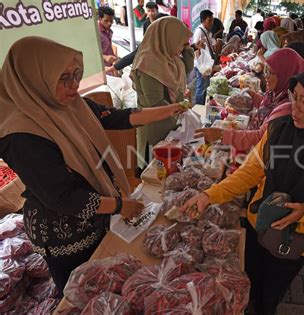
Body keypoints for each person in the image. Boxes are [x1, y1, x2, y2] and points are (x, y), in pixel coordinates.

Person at [0, 36, 188, 294]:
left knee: (106, 283)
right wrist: (121, 206)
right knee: (80, 293)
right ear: (34, 76)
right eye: (64, 77)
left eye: (77, 74)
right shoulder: (21, 134)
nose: (74, 85)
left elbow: (122, 118)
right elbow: (62, 197)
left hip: (97, 215)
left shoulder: (72, 104)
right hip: (62, 233)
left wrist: (173, 108)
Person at [181, 62, 304, 315]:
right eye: (295, 98)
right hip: (258, 224)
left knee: (270, 296)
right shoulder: (280, 130)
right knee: (248, 283)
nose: (295, 109)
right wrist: (208, 195)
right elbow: (250, 172)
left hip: (296, 241)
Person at [194, 48, 304, 151]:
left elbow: (260, 138)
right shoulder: (277, 93)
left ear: (285, 74)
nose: (266, 77)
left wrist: (221, 135)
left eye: (270, 73)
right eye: (265, 71)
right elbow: (268, 106)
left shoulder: (288, 107)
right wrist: (253, 96)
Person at [132, 17, 194, 171]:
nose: (181, 47)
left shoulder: (169, 58)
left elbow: (187, 69)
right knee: (153, 171)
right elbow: (156, 102)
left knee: (170, 170)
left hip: (171, 123)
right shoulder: (148, 63)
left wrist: (187, 48)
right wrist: (179, 108)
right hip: (154, 127)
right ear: (168, 38)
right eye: (180, 42)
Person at [193, 10, 216, 105]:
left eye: (212, 20)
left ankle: (202, 105)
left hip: (206, 65)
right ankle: (198, 107)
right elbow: (196, 50)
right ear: (203, 20)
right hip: (202, 66)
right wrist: (202, 68)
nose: (212, 23)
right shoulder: (199, 32)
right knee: (201, 87)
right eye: (209, 20)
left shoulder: (206, 31)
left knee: (204, 87)